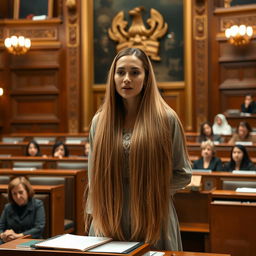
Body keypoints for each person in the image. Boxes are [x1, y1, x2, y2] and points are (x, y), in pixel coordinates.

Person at [86, 48, 191, 250]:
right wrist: (97, 215)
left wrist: (148, 190)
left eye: (134, 72)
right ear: (113, 77)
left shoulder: (166, 119)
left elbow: (183, 174)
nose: (126, 79)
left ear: (146, 77)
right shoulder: (99, 122)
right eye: (121, 72)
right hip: (109, 216)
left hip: (152, 217)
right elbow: (93, 177)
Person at [0, 176, 45, 244]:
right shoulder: (8, 207)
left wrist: (17, 236)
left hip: (31, 241)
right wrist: (3, 235)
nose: (18, 197)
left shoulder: (37, 205)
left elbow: (38, 229)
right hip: (9, 242)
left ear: (27, 191)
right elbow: (0, 227)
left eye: (21, 192)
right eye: (14, 194)